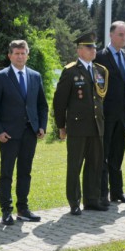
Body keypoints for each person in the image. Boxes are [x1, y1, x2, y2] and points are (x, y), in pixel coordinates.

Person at [0, 39, 48, 225]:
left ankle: (23, 209)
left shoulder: (35, 76)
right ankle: (6, 211)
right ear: (10, 56)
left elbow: (42, 106)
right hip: (9, 135)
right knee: (6, 173)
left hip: (30, 133)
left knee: (25, 172)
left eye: (23, 53)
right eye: (16, 53)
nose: (20, 56)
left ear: (27, 55)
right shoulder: (1, 77)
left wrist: (42, 126)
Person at [52, 32, 108, 215]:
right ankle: (74, 202)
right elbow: (59, 101)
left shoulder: (99, 70)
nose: (94, 50)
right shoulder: (70, 71)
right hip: (77, 126)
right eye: (89, 47)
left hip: (96, 126)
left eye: (94, 47)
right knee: (75, 166)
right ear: (80, 50)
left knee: (95, 164)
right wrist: (61, 126)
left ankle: (92, 199)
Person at [95, 21, 125, 205]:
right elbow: (97, 86)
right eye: (120, 34)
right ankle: (103, 193)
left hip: (122, 113)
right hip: (106, 113)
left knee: (118, 154)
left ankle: (117, 193)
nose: (124, 37)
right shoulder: (100, 57)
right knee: (104, 153)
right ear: (111, 35)